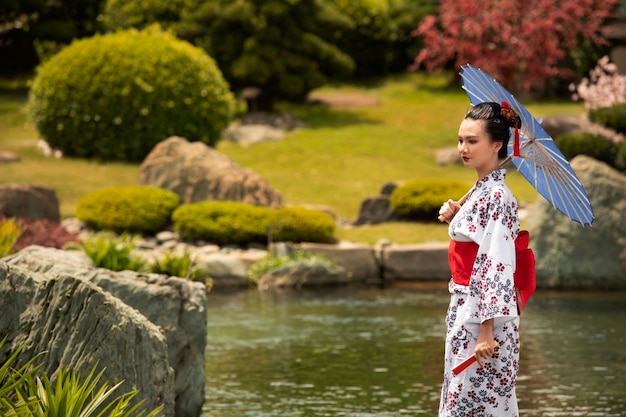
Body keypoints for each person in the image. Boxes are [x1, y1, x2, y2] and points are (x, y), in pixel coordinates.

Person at [437, 101, 532, 417]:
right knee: (463, 397)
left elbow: (496, 262)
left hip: (483, 318)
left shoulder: (497, 196)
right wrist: (455, 215)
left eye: (472, 141)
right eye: (461, 140)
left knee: (476, 401)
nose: (463, 148)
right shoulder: (482, 189)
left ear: (497, 144)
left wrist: (487, 330)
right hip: (466, 309)